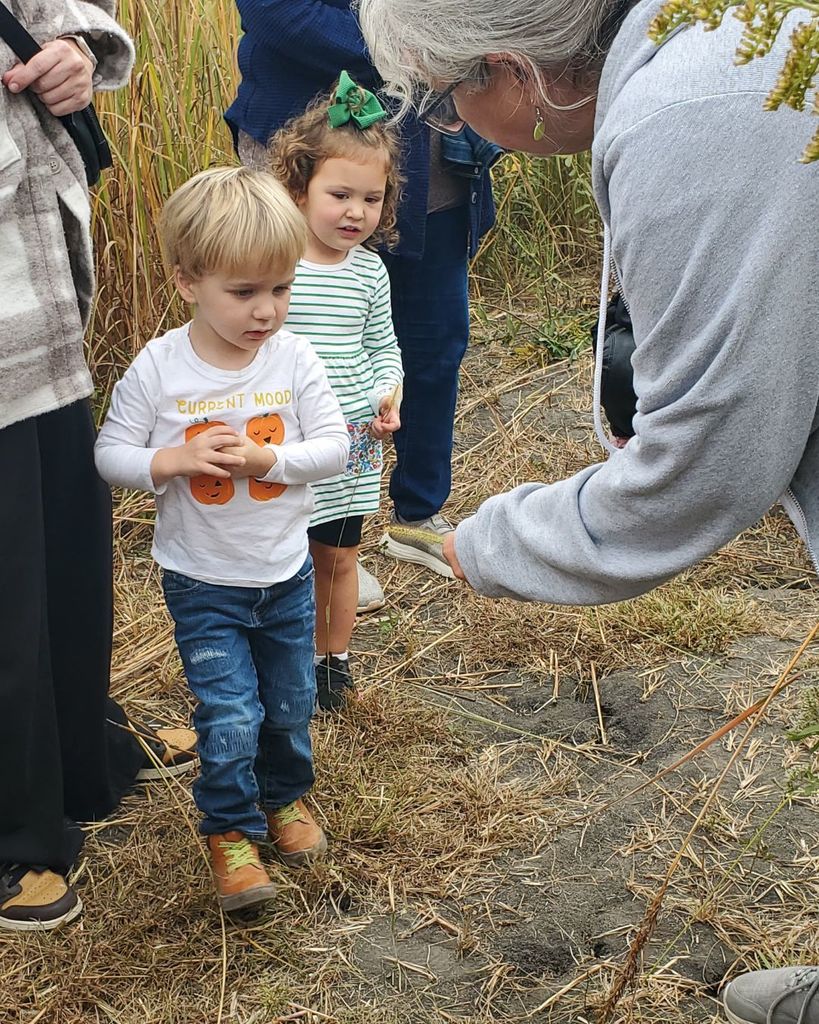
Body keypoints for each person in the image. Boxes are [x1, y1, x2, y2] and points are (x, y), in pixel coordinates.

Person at [358, 0, 818, 1019]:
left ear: (513, 70)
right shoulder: (716, 55)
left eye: (446, 96)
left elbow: (705, 464)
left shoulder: (693, 108)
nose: (452, 122)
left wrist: (491, 543)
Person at [95, 168, 350, 913]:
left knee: (290, 702)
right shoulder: (160, 368)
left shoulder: (294, 359)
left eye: (281, 288)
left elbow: (335, 447)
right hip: (203, 580)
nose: (266, 310)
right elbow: (110, 454)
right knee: (229, 713)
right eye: (243, 292)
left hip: (285, 574)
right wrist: (171, 461)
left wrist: (269, 460)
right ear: (187, 281)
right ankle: (231, 831)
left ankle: (285, 797)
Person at [0, 0, 196, 933]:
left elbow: (61, 12)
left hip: (35, 295)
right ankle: (14, 833)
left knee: (67, 563)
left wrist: (74, 49)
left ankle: (81, 756)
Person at [225, 0, 501, 607]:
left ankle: (416, 516)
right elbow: (279, 12)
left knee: (434, 339)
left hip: (430, 154)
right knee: (292, 343)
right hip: (307, 146)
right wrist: (423, 42)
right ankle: (311, 541)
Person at [270, 73, 403, 711]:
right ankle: (285, 658)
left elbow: (383, 347)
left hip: (351, 442)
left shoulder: (370, 271)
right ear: (299, 189)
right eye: (340, 195)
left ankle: (334, 661)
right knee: (283, 559)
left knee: (339, 558)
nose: (356, 212)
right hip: (286, 441)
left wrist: (387, 393)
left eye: (372, 199)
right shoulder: (276, 265)